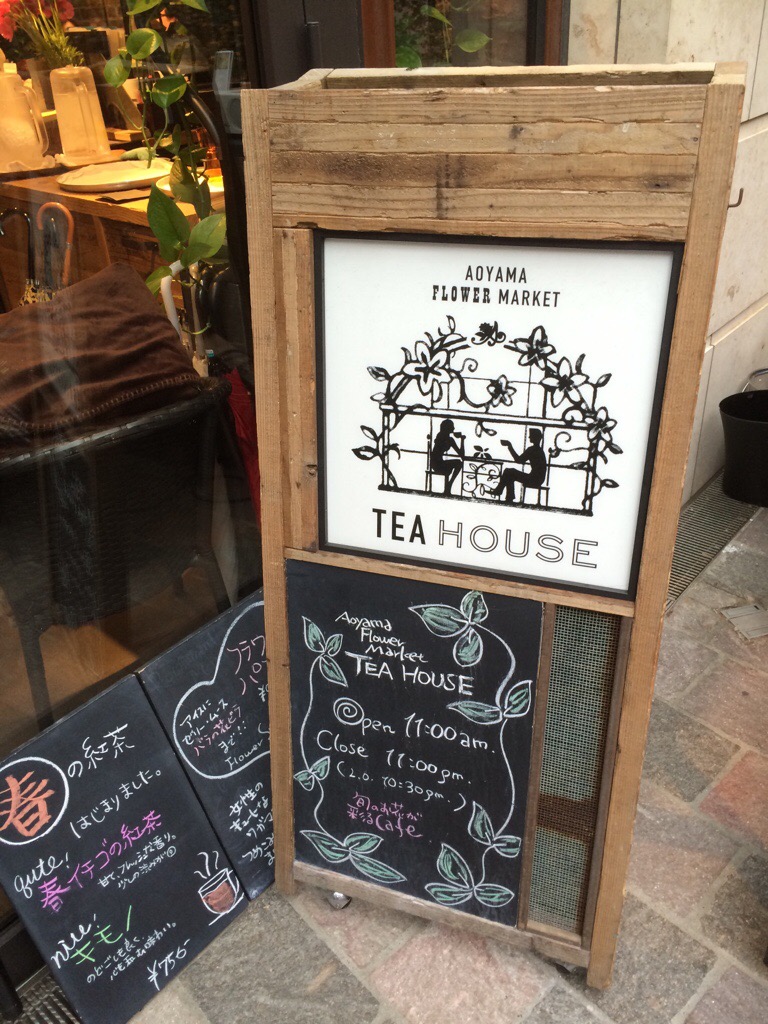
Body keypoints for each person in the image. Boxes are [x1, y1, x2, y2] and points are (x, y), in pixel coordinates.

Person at [492, 428, 547, 504]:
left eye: (531, 436)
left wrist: (510, 446)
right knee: (510, 473)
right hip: (538, 479)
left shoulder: (532, 449)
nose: (529, 437)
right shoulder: (539, 450)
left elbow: (518, 460)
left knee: (508, 471)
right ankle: (507, 496)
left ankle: (501, 492)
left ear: (535, 437)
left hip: (533, 479)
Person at [430, 419, 464, 495]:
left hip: (435, 463)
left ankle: (448, 486)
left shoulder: (440, 436)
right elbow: (461, 454)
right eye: (452, 426)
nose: (454, 428)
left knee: (458, 463)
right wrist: (462, 440)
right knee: (459, 463)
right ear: (447, 428)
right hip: (438, 464)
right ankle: (449, 485)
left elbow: (461, 454)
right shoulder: (448, 439)